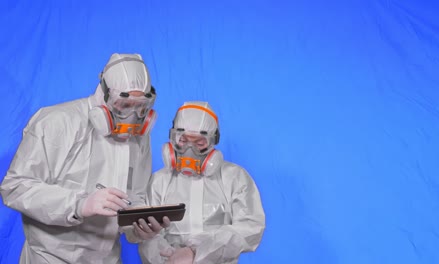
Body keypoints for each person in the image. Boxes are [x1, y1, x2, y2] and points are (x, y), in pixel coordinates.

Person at [0, 53, 169, 263]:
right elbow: (15, 187)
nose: (133, 116)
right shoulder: (57, 122)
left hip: (108, 258)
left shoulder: (138, 138)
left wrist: (139, 228)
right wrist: (79, 204)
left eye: (141, 107)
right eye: (124, 105)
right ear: (105, 94)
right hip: (50, 258)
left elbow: (134, 197)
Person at [139, 101, 266, 264]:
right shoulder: (159, 181)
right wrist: (170, 259)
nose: (189, 149)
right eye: (183, 140)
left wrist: (195, 253)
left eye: (199, 143)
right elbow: (149, 237)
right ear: (173, 137)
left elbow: (250, 228)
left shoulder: (234, 178)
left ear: (213, 141)